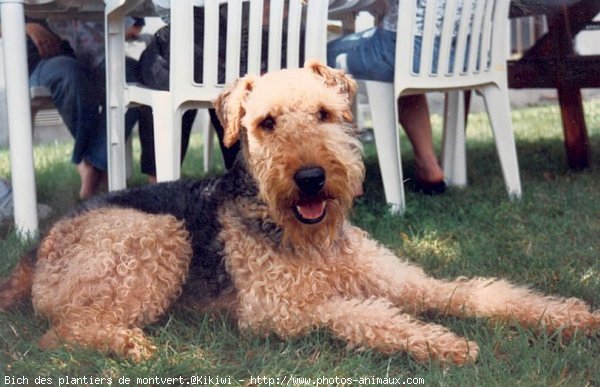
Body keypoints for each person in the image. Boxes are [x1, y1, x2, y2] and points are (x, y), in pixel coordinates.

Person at [137, 0, 301, 180]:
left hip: (198, 53)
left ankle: (158, 182)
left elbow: (165, 8)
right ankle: (248, 176)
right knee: (216, 79)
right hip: (277, 57)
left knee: (168, 75)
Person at [327, 0, 447, 195]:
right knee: (401, 68)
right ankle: (429, 166)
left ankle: (349, 176)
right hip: (467, 48)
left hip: (407, 47)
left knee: (319, 56)